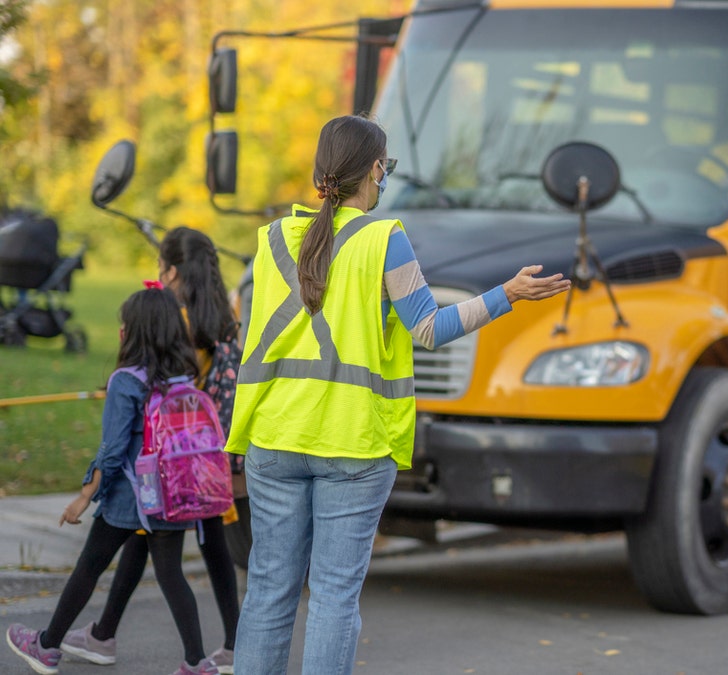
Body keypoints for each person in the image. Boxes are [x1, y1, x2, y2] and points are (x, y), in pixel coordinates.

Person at [225, 114, 571, 675]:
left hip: (274, 438)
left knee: (268, 590)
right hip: (354, 445)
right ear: (377, 171)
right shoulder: (385, 240)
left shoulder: (269, 242)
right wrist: (506, 294)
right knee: (334, 597)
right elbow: (429, 328)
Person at [6, 288, 218, 675]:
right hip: (173, 495)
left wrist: (85, 496)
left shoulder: (126, 380)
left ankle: (47, 646)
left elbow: (113, 448)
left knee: (89, 567)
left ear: (133, 332)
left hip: (128, 496)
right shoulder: (183, 378)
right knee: (172, 577)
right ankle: (196, 662)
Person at [60, 227, 241, 674]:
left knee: (147, 535)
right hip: (212, 447)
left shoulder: (175, 316)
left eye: (161, 270)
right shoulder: (225, 317)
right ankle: (231, 644)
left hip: (169, 456)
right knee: (205, 546)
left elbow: (155, 376)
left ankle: (106, 634)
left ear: (172, 270)